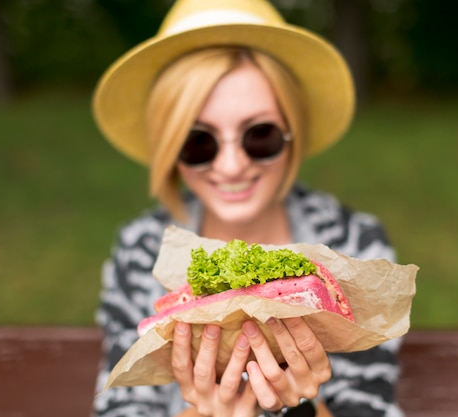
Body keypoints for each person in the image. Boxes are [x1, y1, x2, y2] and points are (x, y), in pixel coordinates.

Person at [91, 0, 403, 416]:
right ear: (170, 149)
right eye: (198, 141)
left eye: (260, 136)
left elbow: (368, 407)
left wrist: (300, 409)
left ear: (293, 132)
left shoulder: (353, 244)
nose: (232, 165)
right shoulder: (142, 250)